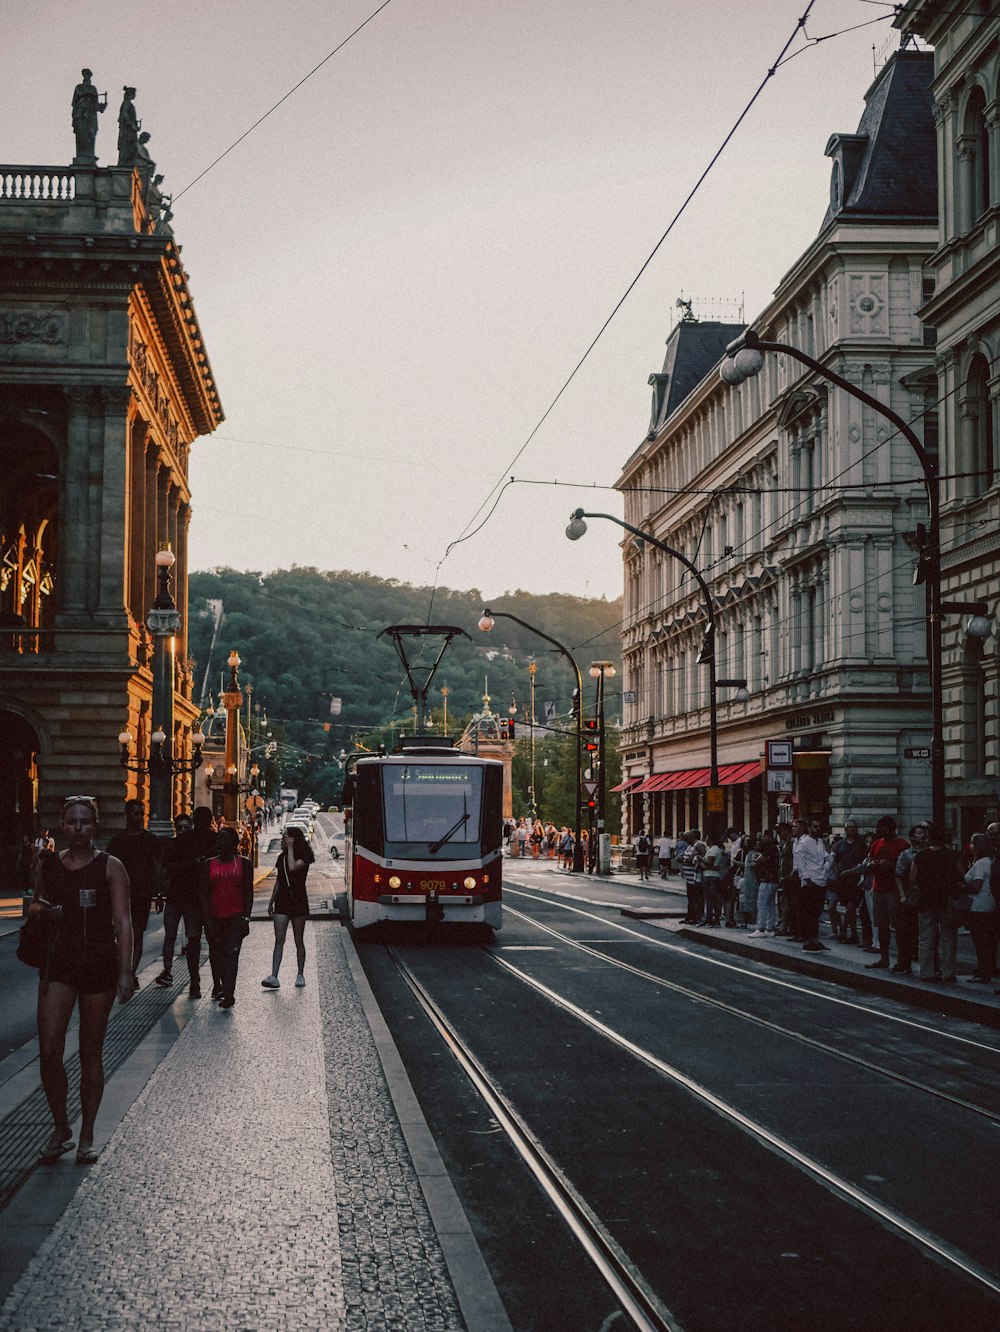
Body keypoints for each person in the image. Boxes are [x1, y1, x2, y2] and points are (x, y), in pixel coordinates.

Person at [31, 796, 133, 1165]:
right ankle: (61, 1126)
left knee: (91, 1052)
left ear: (96, 825)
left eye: (85, 822)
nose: (78, 829)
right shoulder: (50, 865)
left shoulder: (110, 867)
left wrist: (126, 972)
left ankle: (87, 1133)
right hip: (58, 964)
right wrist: (44, 910)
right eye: (72, 822)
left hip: (99, 966)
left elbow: (123, 920)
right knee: (48, 1052)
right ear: (62, 825)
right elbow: (35, 904)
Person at [106, 799, 161, 988]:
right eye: (136, 813)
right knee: (121, 932)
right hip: (121, 894)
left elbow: (156, 869)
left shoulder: (150, 840)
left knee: (137, 933)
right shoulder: (117, 842)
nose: (139, 817)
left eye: (141, 813)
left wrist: (159, 894)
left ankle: (130, 973)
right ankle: (123, 969)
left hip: (142, 894)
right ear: (127, 814)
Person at [199, 826, 252, 1009]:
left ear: (234, 843)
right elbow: (204, 894)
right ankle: (219, 984)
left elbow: (248, 892)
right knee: (217, 954)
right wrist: (206, 919)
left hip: (235, 917)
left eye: (225, 839)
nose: (221, 843)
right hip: (215, 917)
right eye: (219, 840)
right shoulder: (209, 864)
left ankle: (229, 992)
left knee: (232, 954)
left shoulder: (244, 863)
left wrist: (246, 917)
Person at [157, 813, 204, 998]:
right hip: (174, 897)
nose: (183, 831)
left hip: (191, 899)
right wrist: (160, 894)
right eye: (180, 828)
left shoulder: (195, 846)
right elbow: (166, 870)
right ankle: (167, 970)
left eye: (186, 827)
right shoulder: (172, 846)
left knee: (193, 937)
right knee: (170, 935)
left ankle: (195, 979)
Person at [262, 825, 314, 989]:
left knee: (299, 940)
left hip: (298, 900)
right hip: (282, 901)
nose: (282, 839)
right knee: (279, 940)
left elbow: (293, 867)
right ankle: (274, 975)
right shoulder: (281, 858)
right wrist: (271, 901)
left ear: (293, 839)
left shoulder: (305, 855)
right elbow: (279, 881)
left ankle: (300, 974)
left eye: (285, 836)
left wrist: (290, 848)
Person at [910, 824, 961, 983]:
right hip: (946, 900)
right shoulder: (952, 855)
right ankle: (948, 972)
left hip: (926, 900)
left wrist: (923, 887)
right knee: (948, 938)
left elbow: (912, 878)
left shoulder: (921, 855)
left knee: (926, 937)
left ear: (929, 837)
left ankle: (926, 972)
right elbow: (962, 874)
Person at [865, 816, 909, 971]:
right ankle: (884, 958)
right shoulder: (877, 843)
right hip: (878, 888)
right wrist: (873, 865)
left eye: (883, 829)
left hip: (893, 889)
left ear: (891, 829)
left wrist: (890, 866)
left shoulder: (902, 845)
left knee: (898, 926)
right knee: (882, 926)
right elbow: (870, 861)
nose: (880, 832)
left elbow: (905, 867)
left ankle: (902, 959)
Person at [892, 825, 929, 975]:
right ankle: (903, 962)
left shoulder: (929, 853)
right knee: (905, 931)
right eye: (919, 833)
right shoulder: (906, 855)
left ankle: (929, 964)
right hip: (910, 898)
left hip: (925, 898)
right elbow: (898, 875)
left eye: (924, 833)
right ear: (912, 837)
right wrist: (902, 895)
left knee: (925, 933)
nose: (922, 835)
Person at [963, 832, 995, 983]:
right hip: (988, 904)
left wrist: (961, 887)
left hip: (978, 905)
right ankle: (986, 969)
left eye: (972, 843)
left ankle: (983, 972)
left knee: (979, 941)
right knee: (986, 940)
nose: (970, 846)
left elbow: (976, 886)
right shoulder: (990, 861)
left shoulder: (981, 863)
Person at [793, 818, 829, 952]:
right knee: (809, 914)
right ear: (809, 828)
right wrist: (807, 880)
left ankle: (815, 940)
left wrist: (825, 870)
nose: (818, 829)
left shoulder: (820, 842)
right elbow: (799, 863)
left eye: (820, 826)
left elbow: (827, 857)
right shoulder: (804, 843)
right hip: (810, 882)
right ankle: (808, 942)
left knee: (817, 913)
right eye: (815, 827)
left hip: (821, 880)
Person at [832, 821, 867, 945]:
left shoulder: (862, 843)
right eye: (849, 827)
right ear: (845, 829)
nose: (852, 829)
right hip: (843, 880)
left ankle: (844, 931)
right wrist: (837, 872)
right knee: (848, 908)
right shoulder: (839, 844)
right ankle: (854, 934)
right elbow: (835, 860)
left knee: (851, 907)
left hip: (856, 878)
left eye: (854, 827)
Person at [749, 832, 780, 936]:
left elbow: (756, 863)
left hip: (767, 879)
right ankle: (770, 928)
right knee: (770, 904)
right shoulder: (775, 848)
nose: (763, 838)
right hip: (774, 879)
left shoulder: (768, 850)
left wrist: (754, 860)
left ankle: (761, 928)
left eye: (765, 836)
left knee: (761, 903)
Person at [71, 69, 105, 161]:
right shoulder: (79, 87)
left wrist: (102, 106)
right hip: (81, 113)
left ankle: (90, 154)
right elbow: (76, 99)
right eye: (85, 75)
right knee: (82, 134)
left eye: (88, 75)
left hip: (91, 114)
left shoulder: (93, 88)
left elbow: (97, 105)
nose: (86, 76)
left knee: (91, 134)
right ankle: (82, 155)